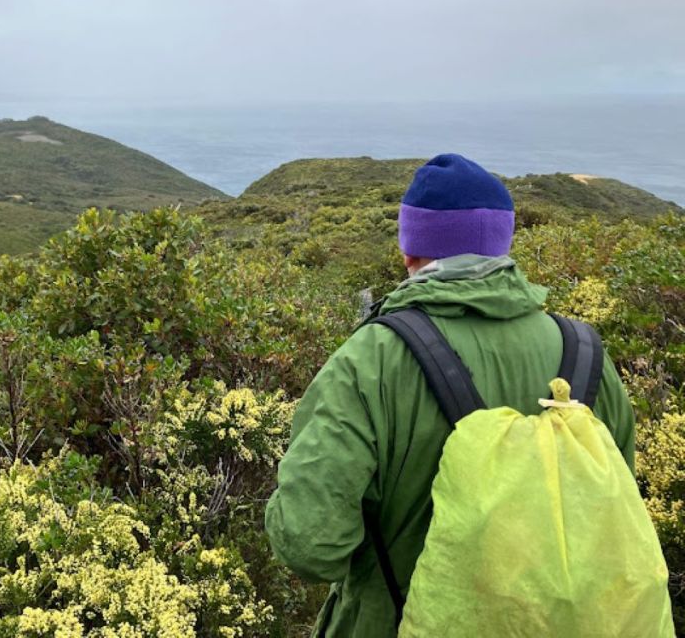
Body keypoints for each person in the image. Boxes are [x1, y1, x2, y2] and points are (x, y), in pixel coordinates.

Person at [264, 153, 635, 638]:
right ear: (504, 241)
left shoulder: (370, 360)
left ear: (409, 250)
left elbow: (311, 546)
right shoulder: (588, 356)